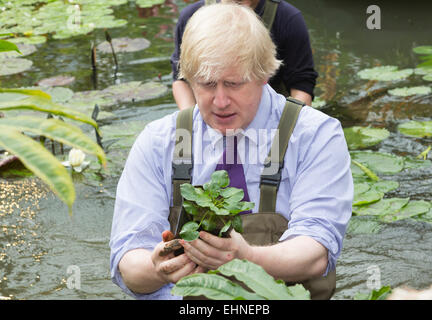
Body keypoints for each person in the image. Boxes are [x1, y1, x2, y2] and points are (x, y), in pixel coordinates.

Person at [109, 3, 352, 300]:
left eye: (233, 84)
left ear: (264, 74)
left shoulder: (315, 135)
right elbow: (128, 265)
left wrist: (245, 257)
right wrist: (157, 269)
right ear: (188, 80)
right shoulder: (158, 141)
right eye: (207, 84)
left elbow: (316, 254)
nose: (220, 101)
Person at [170, 0, 318, 110]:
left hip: (271, 113)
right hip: (209, 113)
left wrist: (288, 130)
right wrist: (192, 125)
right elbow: (180, 78)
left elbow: (302, 83)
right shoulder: (192, 18)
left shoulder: (288, 19)